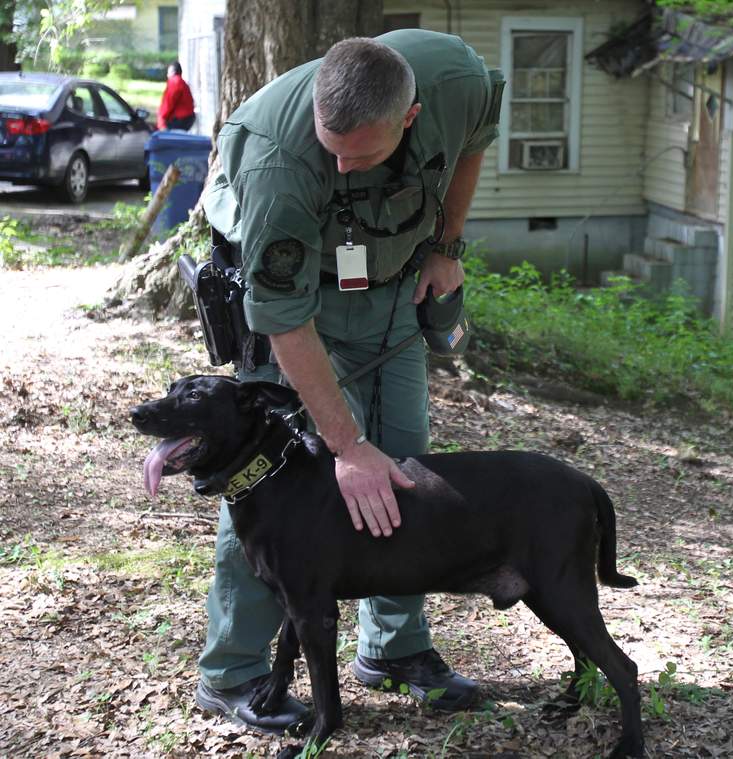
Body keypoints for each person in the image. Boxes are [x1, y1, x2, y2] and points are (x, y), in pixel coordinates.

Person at [196, 30, 505, 733]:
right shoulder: (282, 161)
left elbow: (473, 139)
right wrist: (344, 445)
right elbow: (281, 315)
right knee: (270, 478)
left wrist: (446, 246)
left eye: (357, 153)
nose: (339, 163)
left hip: (391, 283)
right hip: (297, 302)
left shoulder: (454, 80)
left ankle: (393, 648)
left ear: (409, 117)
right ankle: (234, 670)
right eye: (329, 144)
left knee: (403, 460)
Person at [157, 61, 196, 131]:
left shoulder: (174, 82)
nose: (167, 75)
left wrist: (161, 119)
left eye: (168, 72)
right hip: (187, 118)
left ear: (173, 72)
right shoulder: (182, 82)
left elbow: (168, 103)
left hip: (180, 119)